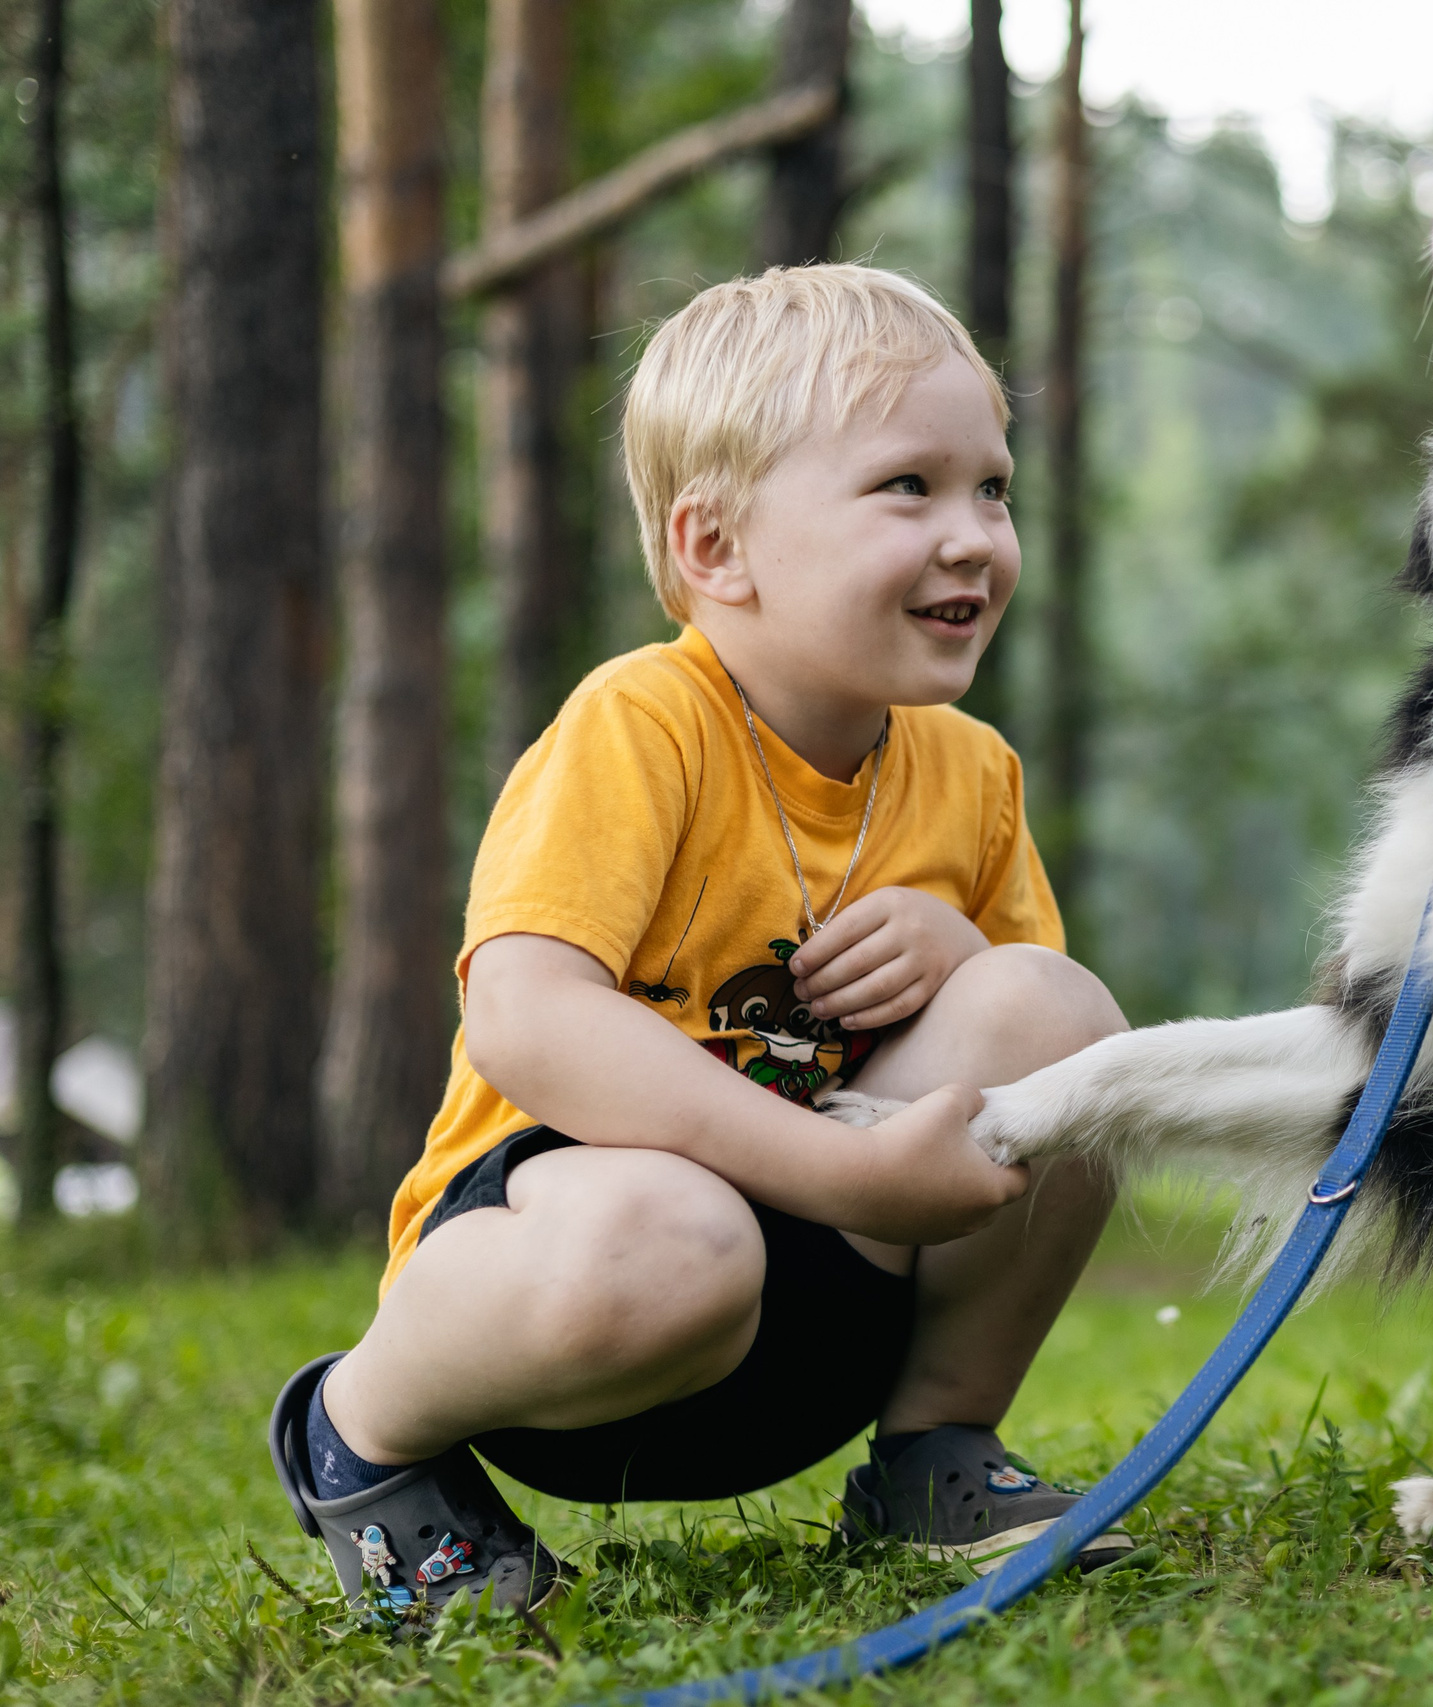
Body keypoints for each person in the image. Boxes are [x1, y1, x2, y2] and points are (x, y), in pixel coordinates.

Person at [268, 265, 1128, 1618]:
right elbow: (527, 1017)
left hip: (819, 1310)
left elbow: (1032, 1075)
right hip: (586, 1284)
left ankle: (936, 1454)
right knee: (678, 1236)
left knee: (1063, 1024)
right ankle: (362, 1437)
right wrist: (843, 1179)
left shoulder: (972, 776)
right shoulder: (643, 724)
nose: (972, 536)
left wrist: (959, 956)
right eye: (909, 488)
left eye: (992, 488)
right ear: (716, 549)